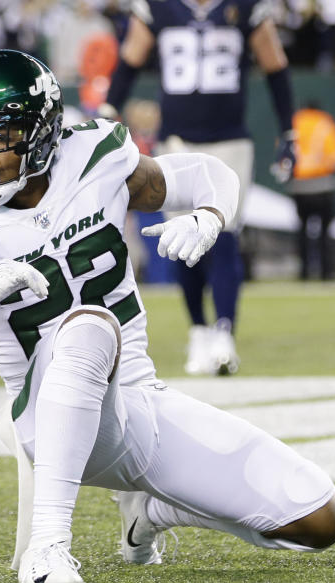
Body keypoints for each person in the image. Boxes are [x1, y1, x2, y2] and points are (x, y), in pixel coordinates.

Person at [0, 50, 335, 583]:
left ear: (45, 131)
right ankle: (47, 546)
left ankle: (151, 512)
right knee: (87, 324)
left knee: (318, 517)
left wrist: (209, 215)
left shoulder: (95, 156)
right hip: (43, 415)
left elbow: (206, 173)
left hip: (139, 401)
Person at [99, 0, 298, 376]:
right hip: (178, 141)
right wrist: (110, 108)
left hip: (230, 141)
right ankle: (198, 330)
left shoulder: (245, 6)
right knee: (182, 240)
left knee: (222, 233)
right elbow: (130, 59)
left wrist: (289, 130)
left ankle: (225, 331)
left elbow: (275, 65)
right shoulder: (158, 7)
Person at [288, 100, 335, 280]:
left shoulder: (293, 123)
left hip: (299, 186)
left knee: (302, 230)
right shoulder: (324, 123)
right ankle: (326, 272)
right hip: (323, 185)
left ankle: (304, 272)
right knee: (325, 231)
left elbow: (284, 157)